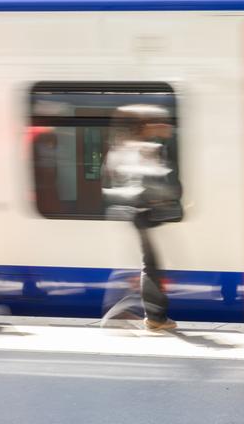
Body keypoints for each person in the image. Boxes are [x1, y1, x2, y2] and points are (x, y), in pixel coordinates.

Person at [102, 104, 181, 331]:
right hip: (141, 213)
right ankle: (153, 317)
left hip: (134, 213)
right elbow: (149, 179)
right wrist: (164, 197)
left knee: (147, 264)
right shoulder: (141, 148)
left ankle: (147, 315)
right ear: (145, 125)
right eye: (158, 122)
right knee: (150, 266)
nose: (163, 125)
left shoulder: (123, 146)